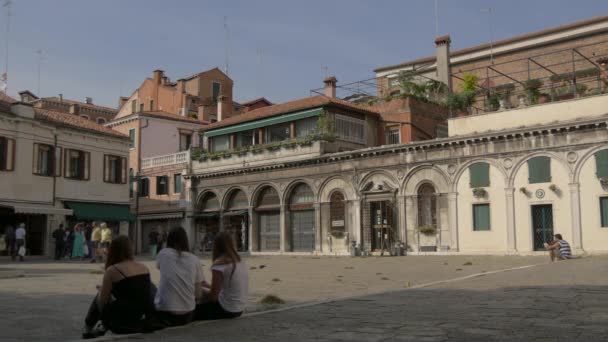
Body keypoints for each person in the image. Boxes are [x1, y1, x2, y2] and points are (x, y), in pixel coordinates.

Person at [82, 236, 157, 339]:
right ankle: (96, 327)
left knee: (100, 294)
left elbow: (102, 303)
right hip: (139, 317)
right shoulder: (144, 268)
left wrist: (103, 290)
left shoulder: (112, 270)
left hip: (119, 322)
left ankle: (88, 327)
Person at [154, 227, 205, 327]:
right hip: (187, 315)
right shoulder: (195, 259)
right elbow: (198, 295)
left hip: (164, 314)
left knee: (152, 287)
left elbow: (160, 268)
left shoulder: (163, 254)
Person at [195, 232, 248, 320]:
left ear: (216, 246)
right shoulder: (239, 261)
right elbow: (221, 289)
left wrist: (199, 289)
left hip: (226, 309)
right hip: (239, 309)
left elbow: (213, 297)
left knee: (193, 308)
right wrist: (205, 285)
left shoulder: (220, 265)